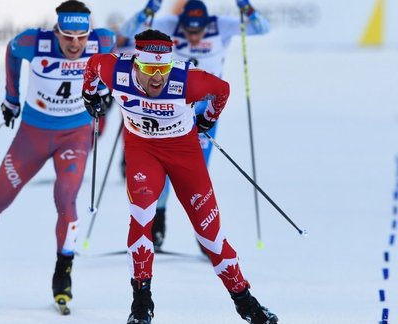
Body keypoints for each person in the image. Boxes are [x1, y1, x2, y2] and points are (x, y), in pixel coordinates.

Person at [0, 0, 115, 314]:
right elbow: (12, 53)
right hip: (32, 136)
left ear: (90, 33)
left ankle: (63, 271)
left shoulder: (103, 41)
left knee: (67, 197)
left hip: (76, 134)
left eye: (81, 37)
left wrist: (106, 93)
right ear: (56, 31)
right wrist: (10, 99)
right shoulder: (34, 42)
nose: (75, 44)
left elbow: (121, 67)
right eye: (67, 36)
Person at [82, 29, 278, 324]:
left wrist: (206, 120)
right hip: (142, 151)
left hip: (184, 155)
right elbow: (93, 65)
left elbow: (222, 89)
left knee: (210, 235)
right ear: (136, 63)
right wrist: (90, 95)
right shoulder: (116, 70)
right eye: (149, 69)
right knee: (141, 217)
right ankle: (141, 302)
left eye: (164, 67)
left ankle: (245, 301)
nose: (158, 77)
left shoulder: (187, 80)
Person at [118, 0, 269, 251]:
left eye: (198, 32)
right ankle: (158, 223)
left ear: (207, 24)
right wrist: (148, 11)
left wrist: (247, 7)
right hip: (170, 108)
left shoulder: (221, 26)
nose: (194, 37)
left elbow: (262, 28)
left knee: (197, 171)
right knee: (161, 165)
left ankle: (206, 235)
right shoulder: (168, 25)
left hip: (204, 111)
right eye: (189, 32)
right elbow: (126, 30)